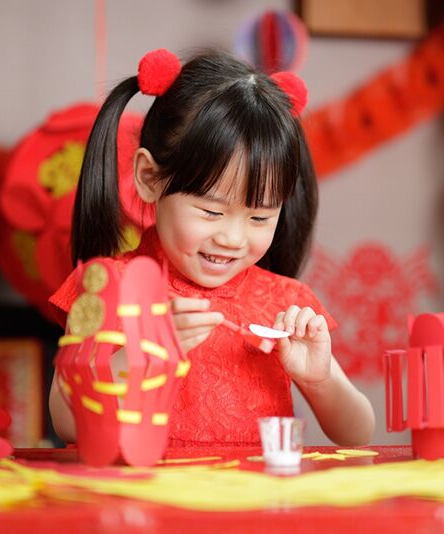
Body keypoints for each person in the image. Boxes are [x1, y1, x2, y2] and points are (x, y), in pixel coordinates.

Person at [49, 49, 374, 447]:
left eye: (258, 218)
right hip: (146, 503)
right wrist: (143, 354)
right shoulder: (106, 289)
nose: (233, 238)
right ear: (150, 177)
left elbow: (358, 433)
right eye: (210, 211)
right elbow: (66, 421)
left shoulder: (284, 302)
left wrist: (319, 379)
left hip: (258, 505)